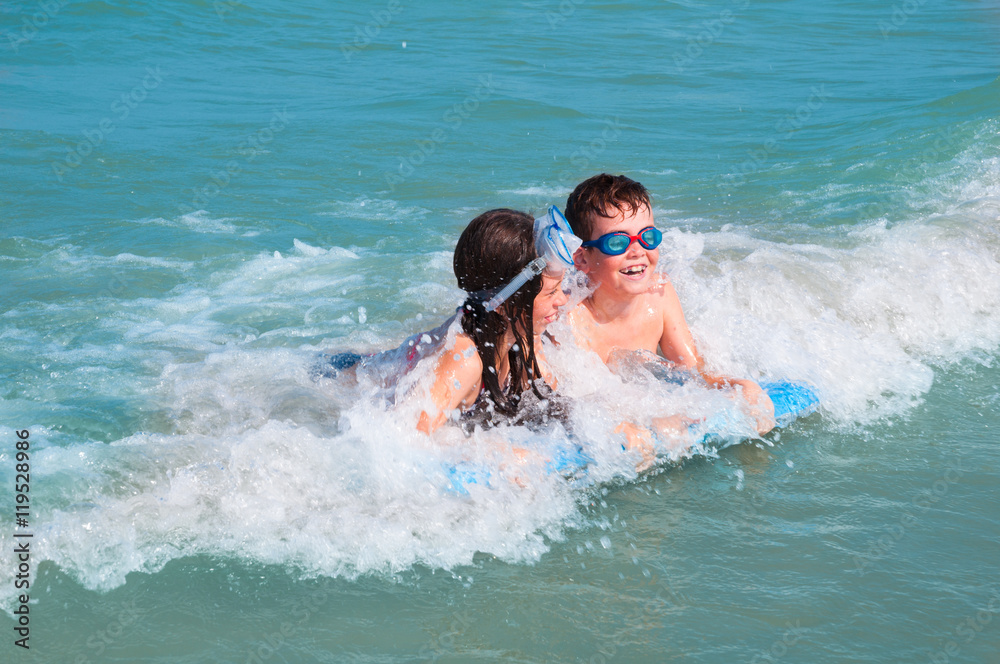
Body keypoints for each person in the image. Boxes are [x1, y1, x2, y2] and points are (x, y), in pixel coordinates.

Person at [563, 173, 775, 434]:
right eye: (617, 242)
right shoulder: (572, 318)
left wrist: (736, 385)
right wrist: (639, 422)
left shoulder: (659, 295)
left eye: (647, 237)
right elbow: (579, 404)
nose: (638, 250)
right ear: (582, 259)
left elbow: (693, 369)